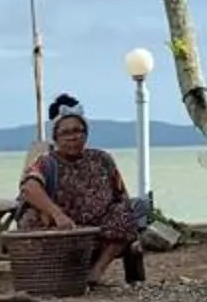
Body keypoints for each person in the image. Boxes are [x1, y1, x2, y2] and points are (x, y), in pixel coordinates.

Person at [18, 94, 147, 284]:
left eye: (78, 131)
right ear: (56, 138)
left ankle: (96, 271)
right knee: (30, 217)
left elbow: (121, 194)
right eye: (65, 133)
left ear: (86, 134)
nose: (73, 137)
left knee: (130, 209)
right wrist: (57, 214)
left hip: (101, 230)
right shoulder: (46, 163)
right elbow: (29, 188)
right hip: (64, 230)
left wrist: (125, 215)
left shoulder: (102, 159)